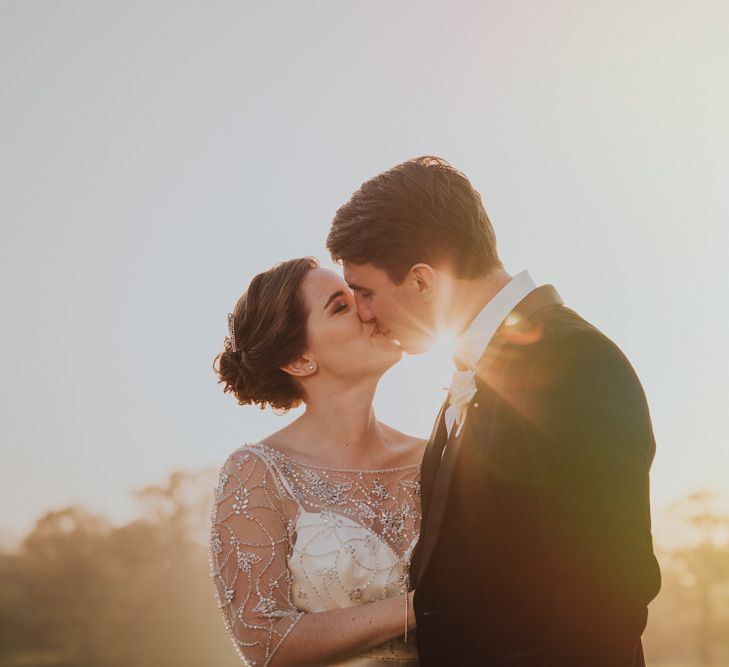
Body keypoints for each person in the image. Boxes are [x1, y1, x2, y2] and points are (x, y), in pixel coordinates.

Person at [327, 156, 661, 666]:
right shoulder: (475, 372)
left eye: (366, 291)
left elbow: (604, 610)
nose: (364, 313)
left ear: (421, 281)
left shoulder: (575, 363)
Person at [210, 257, 424, 667]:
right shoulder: (258, 473)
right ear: (299, 361)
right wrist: (416, 608)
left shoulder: (433, 458)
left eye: (360, 296)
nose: (368, 311)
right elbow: (264, 641)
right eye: (341, 307)